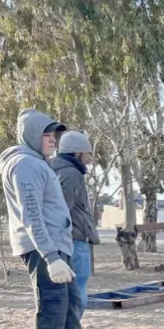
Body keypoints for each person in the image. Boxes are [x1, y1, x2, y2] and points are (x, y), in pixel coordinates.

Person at [0, 109, 95, 329]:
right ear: (31, 136)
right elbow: (32, 214)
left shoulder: (38, 162)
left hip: (57, 244)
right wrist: (50, 256)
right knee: (52, 301)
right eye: (46, 134)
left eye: (54, 135)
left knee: (70, 298)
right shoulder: (25, 165)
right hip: (44, 247)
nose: (52, 140)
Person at [51, 131, 100, 315]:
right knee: (78, 293)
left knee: (69, 292)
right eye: (88, 153)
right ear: (77, 153)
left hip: (67, 240)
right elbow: (63, 209)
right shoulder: (72, 174)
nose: (90, 158)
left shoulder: (55, 169)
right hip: (76, 239)